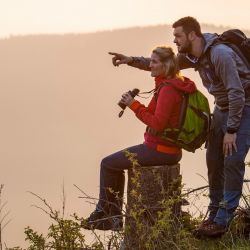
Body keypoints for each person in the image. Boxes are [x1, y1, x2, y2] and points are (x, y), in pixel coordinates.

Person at [109, 16, 250, 237]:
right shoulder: (194, 56)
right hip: (222, 108)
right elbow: (165, 64)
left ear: (192, 35)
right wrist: (130, 60)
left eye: (178, 36)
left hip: (244, 108)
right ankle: (213, 214)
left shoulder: (219, 54)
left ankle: (223, 220)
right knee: (214, 161)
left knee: (232, 161)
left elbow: (237, 92)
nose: (174, 40)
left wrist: (231, 131)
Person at [82, 46, 197, 231]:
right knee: (113, 164)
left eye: (154, 62)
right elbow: (154, 113)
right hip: (166, 148)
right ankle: (112, 217)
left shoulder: (168, 89)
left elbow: (157, 123)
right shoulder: (169, 84)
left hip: (159, 150)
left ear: (166, 65)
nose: (150, 65)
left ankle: (107, 215)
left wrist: (133, 105)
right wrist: (133, 103)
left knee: (108, 164)